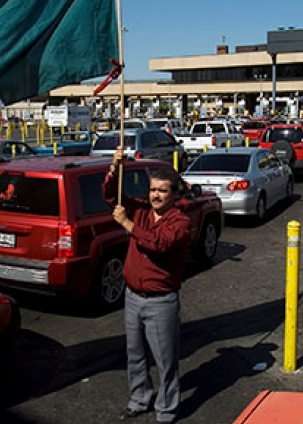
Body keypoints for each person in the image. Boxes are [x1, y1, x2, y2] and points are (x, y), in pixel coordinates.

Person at [103, 148, 192, 423]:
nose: (155, 195)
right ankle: (140, 398)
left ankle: (166, 410)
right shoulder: (141, 211)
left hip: (161, 301)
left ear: (174, 194)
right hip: (132, 297)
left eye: (162, 191)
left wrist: (127, 224)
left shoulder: (180, 222)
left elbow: (159, 244)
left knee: (165, 360)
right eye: (153, 190)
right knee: (135, 354)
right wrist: (114, 168)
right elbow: (110, 195)